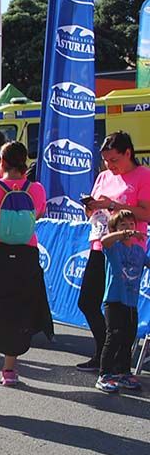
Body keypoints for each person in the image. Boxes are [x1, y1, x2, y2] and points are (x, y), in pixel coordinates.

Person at [0, 141, 52, 386]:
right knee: (18, 309)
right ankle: (9, 370)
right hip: (26, 256)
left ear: (1, 162)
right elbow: (36, 215)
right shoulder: (37, 190)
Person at [75, 132, 150, 372]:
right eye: (106, 160)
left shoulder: (143, 176)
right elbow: (96, 211)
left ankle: (116, 359)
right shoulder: (104, 176)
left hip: (127, 249)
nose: (110, 166)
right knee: (87, 300)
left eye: (114, 160)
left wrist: (113, 205)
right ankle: (104, 350)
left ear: (128, 153)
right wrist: (92, 207)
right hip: (100, 243)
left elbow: (146, 214)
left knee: (120, 308)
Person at [95, 210, 149, 393]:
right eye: (123, 225)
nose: (129, 229)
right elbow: (104, 241)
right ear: (115, 229)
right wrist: (123, 234)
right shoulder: (114, 247)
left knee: (128, 337)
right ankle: (104, 375)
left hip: (131, 302)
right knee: (114, 336)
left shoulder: (139, 250)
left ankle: (123, 373)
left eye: (131, 225)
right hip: (114, 299)